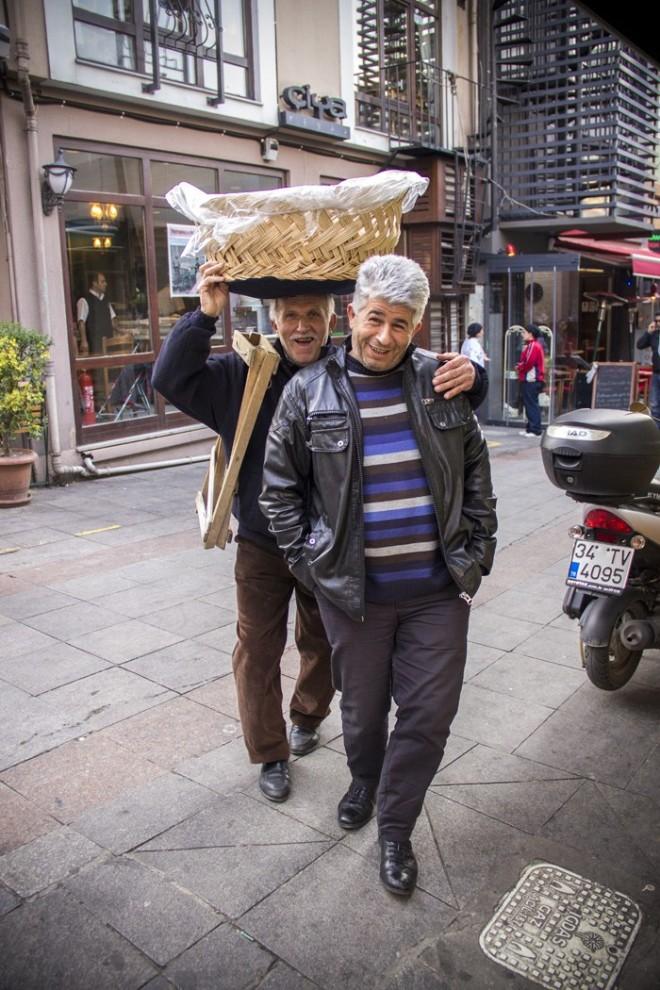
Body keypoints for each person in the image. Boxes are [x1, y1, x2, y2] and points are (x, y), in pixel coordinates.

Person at [151, 260, 488, 805]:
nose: (302, 326)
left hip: (339, 546)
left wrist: (477, 377)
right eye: (290, 316)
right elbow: (168, 379)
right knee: (257, 649)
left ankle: (308, 715)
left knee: (324, 644)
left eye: (314, 314)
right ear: (273, 320)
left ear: (336, 319)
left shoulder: (347, 365)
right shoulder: (242, 375)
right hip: (264, 541)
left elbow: (423, 382)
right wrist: (204, 315)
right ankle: (270, 752)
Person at [260, 255, 497, 896]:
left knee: (428, 714)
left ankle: (396, 828)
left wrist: (476, 556)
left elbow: (477, 477)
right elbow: (278, 491)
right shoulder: (308, 391)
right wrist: (313, 567)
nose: (385, 336)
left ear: (417, 325)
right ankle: (364, 777)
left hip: (437, 593)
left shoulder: (440, 383)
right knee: (362, 712)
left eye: (400, 323)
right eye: (374, 319)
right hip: (353, 596)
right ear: (352, 314)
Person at [77, 272, 117, 355]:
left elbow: (112, 321)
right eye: (103, 282)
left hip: (109, 342)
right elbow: (81, 323)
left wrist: (121, 332)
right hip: (94, 344)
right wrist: (84, 341)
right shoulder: (84, 300)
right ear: (95, 283)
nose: (106, 284)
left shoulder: (106, 300)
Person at [517, 323, 545, 437]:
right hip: (530, 379)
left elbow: (529, 363)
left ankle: (535, 429)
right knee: (529, 404)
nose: (523, 334)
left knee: (531, 404)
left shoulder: (533, 346)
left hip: (531, 379)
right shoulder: (531, 345)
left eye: (524, 332)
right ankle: (530, 428)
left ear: (530, 334)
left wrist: (520, 367)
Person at [636, 315, 660, 427]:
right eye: (657, 321)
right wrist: (648, 332)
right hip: (656, 374)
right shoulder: (654, 335)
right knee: (655, 405)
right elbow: (640, 345)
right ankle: (656, 434)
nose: (659, 323)